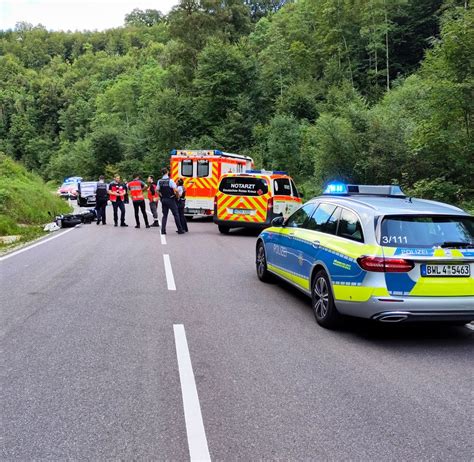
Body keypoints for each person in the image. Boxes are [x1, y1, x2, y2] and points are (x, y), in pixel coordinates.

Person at [157, 167, 184, 235]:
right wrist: (177, 196)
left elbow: (157, 190)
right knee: (176, 214)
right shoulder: (170, 181)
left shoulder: (159, 181)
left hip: (163, 199)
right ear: (167, 172)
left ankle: (163, 231)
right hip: (170, 199)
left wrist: (161, 195)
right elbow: (176, 190)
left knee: (165, 215)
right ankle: (180, 230)